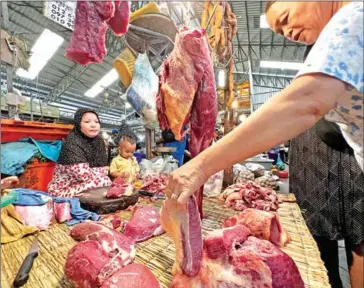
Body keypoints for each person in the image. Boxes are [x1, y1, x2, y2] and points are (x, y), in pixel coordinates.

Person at [165, 2, 363, 286]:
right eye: (280, 30)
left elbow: (305, 102)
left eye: (285, 19)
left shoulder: (355, 16)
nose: (288, 33)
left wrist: (200, 166)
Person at [290, 44, 364, 288]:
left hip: (338, 156)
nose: (287, 32)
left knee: (354, 238)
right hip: (320, 159)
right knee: (326, 238)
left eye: (286, 19)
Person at [48, 108, 112, 197]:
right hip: (65, 188)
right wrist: (101, 171)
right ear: (78, 124)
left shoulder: (99, 141)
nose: (93, 125)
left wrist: (99, 171)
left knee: (106, 181)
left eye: (96, 122)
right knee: (104, 181)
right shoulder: (72, 140)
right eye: (87, 122)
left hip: (86, 183)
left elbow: (104, 169)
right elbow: (83, 175)